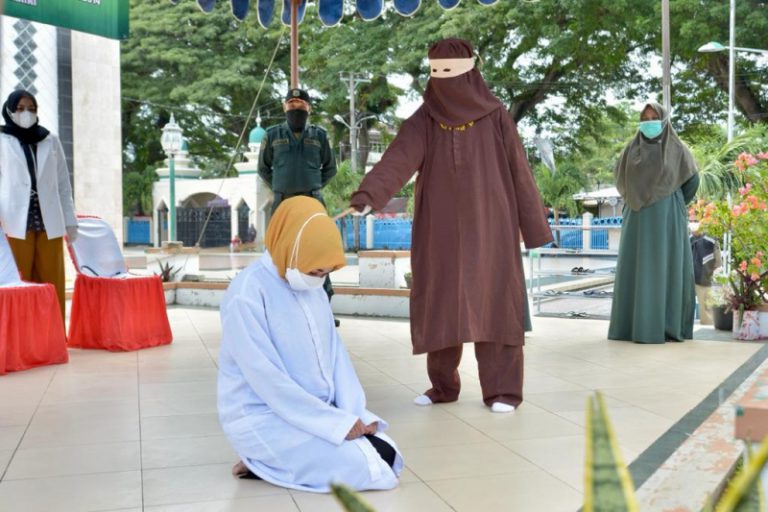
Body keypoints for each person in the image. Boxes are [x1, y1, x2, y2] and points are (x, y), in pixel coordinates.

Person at [349, 38, 553, 413]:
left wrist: (534, 228)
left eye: (450, 73)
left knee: (495, 303)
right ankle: (443, 386)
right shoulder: (425, 119)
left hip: (491, 225)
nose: (443, 82)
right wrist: (368, 197)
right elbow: (397, 159)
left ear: (470, 73)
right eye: (436, 73)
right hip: (438, 230)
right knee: (441, 302)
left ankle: (503, 391)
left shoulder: (496, 117)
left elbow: (519, 172)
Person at [217, 196, 402, 493]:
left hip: (317, 412)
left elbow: (335, 355)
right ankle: (259, 459)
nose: (319, 279)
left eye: (326, 272)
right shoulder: (247, 294)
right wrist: (333, 424)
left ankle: (268, 464)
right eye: (315, 272)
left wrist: (354, 414)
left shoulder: (311, 289)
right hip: (264, 415)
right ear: (289, 248)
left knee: (387, 453)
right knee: (369, 469)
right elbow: (267, 379)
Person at [608, 102, 699, 343]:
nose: (649, 121)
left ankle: (666, 327)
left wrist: (670, 200)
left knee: (664, 267)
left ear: (664, 120)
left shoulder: (677, 149)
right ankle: (630, 327)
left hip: (667, 220)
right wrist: (634, 198)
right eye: (645, 117)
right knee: (637, 268)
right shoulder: (630, 150)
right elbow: (620, 179)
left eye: (654, 117)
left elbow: (692, 181)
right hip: (636, 220)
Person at [258, 88, 339, 324]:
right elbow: (263, 168)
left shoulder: (319, 135)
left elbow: (330, 168)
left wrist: (312, 186)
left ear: (308, 109)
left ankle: (324, 308)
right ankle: (278, 309)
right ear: (284, 108)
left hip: (312, 202)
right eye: (291, 105)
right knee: (278, 252)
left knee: (319, 253)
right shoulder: (272, 135)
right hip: (283, 202)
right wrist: (280, 187)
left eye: (300, 105)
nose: (296, 109)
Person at [0, 90, 77, 319]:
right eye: (21, 108)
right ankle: (21, 339)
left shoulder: (50, 139)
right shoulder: (1, 140)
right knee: (18, 283)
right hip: (14, 223)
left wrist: (70, 221)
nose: (27, 113)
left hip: (49, 222)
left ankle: (53, 339)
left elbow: (63, 184)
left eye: (31, 109)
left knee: (52, 282)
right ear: (11, 110)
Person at [690, 222, 722, 325]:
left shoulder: (710, 240)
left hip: (703, 274)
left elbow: (718, 260)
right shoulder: (687, 238)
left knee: (705, 304)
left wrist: (715, 268)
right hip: (694, 275)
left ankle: (706, 324)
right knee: (703, 304)